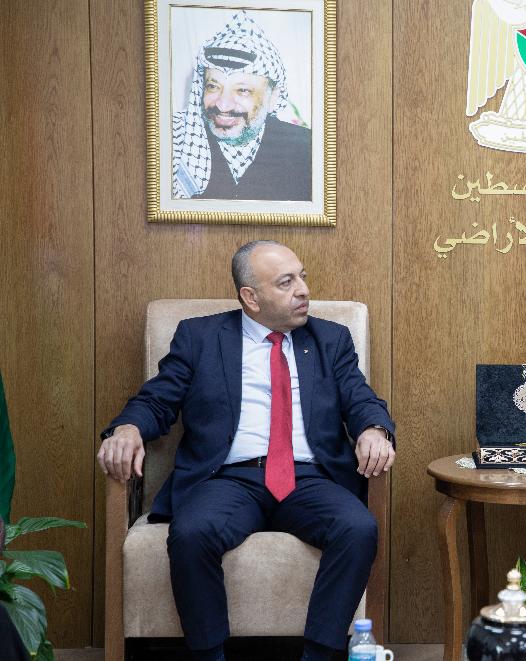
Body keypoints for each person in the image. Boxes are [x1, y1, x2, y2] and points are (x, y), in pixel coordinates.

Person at [97, 240, 394, 661]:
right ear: (250, 297)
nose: (303, 290)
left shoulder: (331, 339)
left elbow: (360, 397)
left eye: (302, 277)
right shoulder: (199, 337)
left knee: (358, 527)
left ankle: (319, 654)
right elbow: (157, 400)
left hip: (309, 478)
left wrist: (374, 429)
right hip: (229, 478)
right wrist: (127, 429)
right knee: (191, 532)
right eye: (286, 282)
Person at [172, 11, 312, 201]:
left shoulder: (308, 150)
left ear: (273, 98)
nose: (223, 105)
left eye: (242, 90)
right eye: (213, 86)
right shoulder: (175, 141)